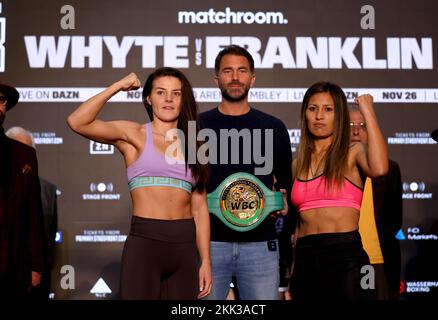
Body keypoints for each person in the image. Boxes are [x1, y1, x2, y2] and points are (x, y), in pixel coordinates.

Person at [67, 68, 212, 300]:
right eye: (161, 92)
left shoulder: (196, 145)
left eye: (176, 93)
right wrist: (117, 86)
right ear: (148, 98)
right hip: (145, 244)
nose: (168, 99)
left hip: (184, 248)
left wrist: (205, 260)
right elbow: (77, 121)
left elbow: (200, 208)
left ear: (183, 100)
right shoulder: (133, 135)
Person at [200, 45, 293, 300]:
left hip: (260, 245)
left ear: (252, 78)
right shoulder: (196, 126)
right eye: (227, 71)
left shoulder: (274, 127)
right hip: (209, 245)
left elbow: (287, 184)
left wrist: (281, 201)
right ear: (216, 79)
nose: (234, 77)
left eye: (242, 71)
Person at [288, 82, 388, 300]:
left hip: (346, 258)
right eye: (313, 108)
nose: (319, 116)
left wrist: (367, 111)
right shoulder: (298, 164)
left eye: (328, 109)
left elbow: (380, 169)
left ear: (339, 115)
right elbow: (299, 226)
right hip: (305, 258)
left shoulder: (353, 152)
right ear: (304, 114)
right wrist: (293, 275)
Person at [349, 106, 402, 300]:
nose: (356, 131)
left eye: (362, 126)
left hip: (378, 259)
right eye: (350, 125)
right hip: (342, 260)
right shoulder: (333, 169)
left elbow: (395, 219)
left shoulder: (389, 169)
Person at [0, 83, 46, 299]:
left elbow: (34, 213)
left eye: (1, 100)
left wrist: (36, 265)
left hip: (13, 265)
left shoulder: (24, 154)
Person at [5, 126, 59, 300]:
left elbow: (49, 233)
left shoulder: (49, 190)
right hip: (9, 273)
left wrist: (39, 267)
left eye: (27, 151)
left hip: (38, 279)